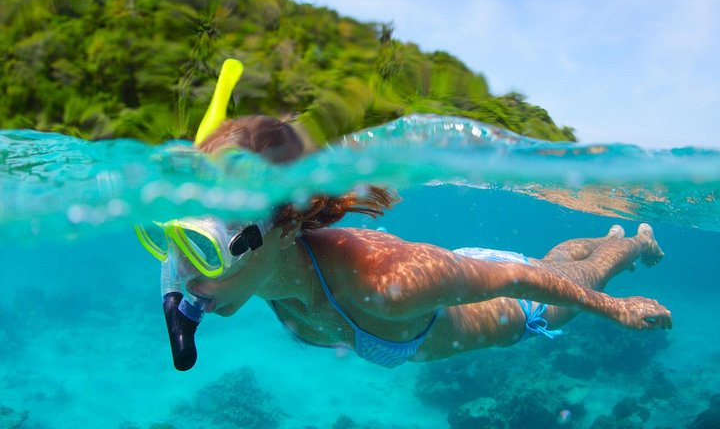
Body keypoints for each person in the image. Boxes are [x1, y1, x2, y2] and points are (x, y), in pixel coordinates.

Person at [141, 115, 671, 369]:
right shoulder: (248, 267)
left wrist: (615, 309)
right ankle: (614, 232)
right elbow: (184, 262)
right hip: (456, 277)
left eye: (204, 248)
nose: (185, 275)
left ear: (282, 229)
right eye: (173, 241)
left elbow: (516, 278)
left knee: (576, 276)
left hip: (512, 305)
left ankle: (632, 245)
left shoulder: (383, 285)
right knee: (556, 258)